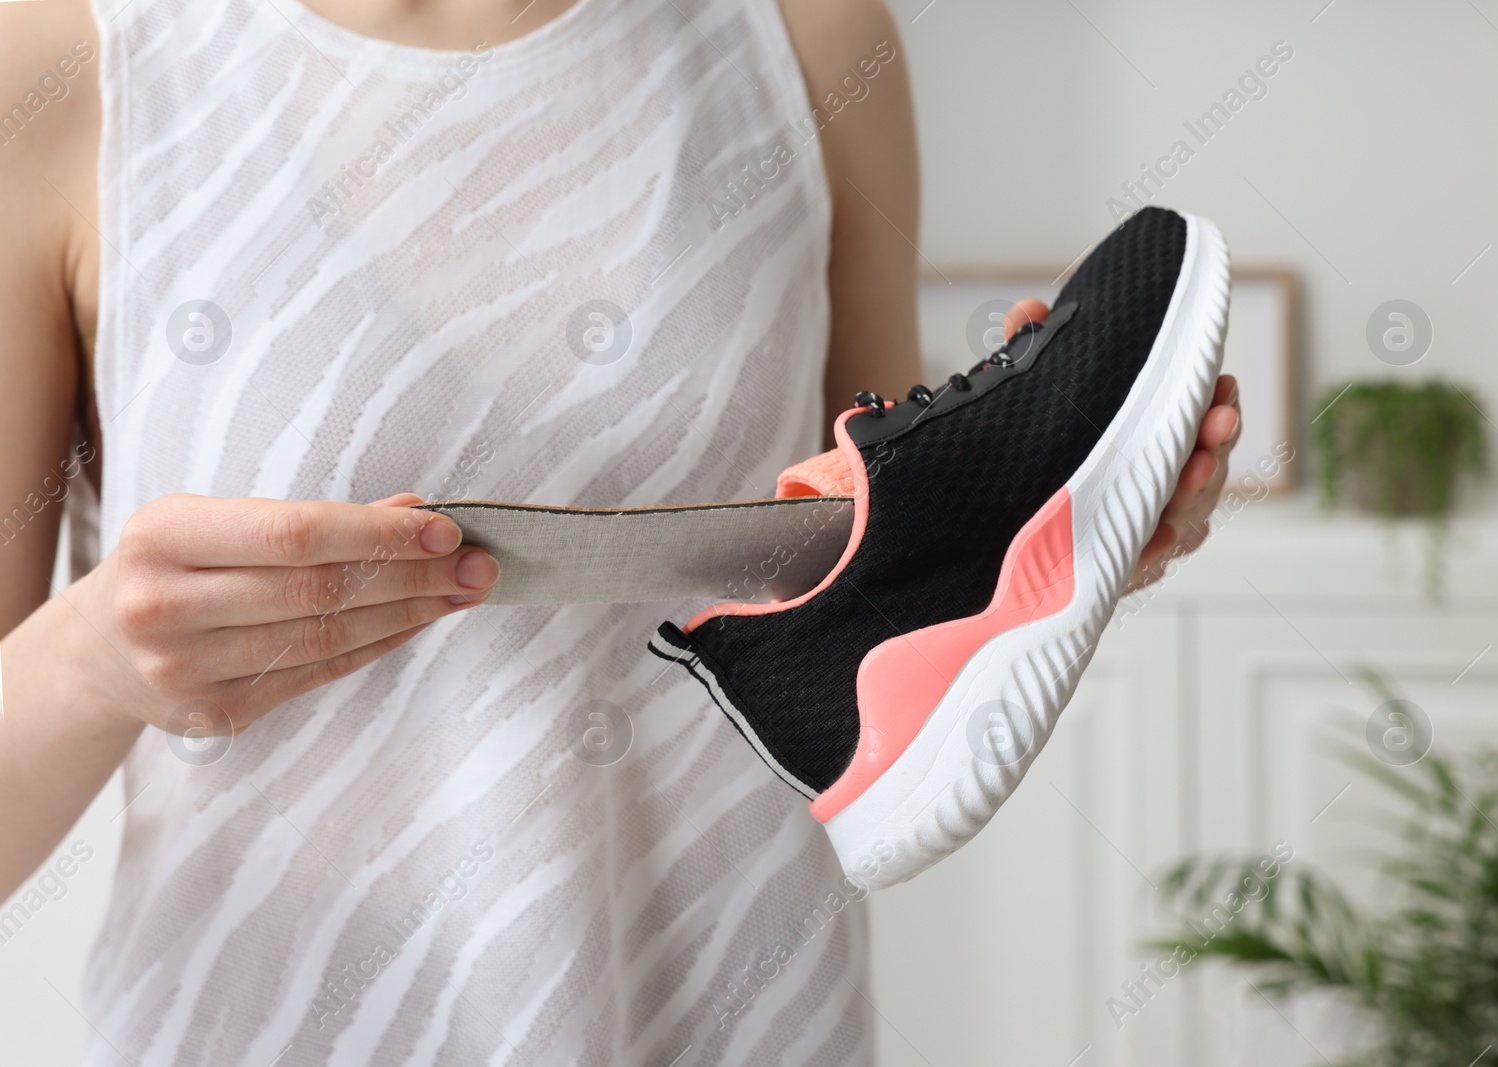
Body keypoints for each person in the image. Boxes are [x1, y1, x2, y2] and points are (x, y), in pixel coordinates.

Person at [0, 0, 1241, 1062]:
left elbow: (885, 577)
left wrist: (1046, 519)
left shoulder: (802, 36)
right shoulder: (64, 65)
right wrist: (92, 661)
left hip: (733, 1011)